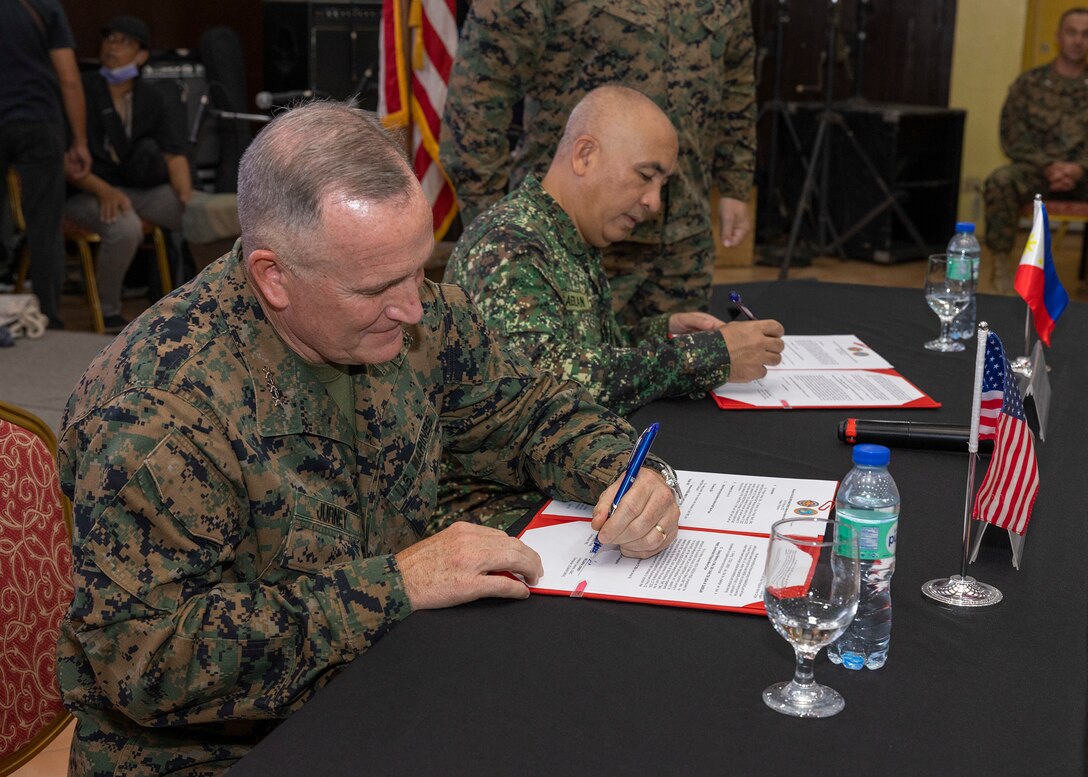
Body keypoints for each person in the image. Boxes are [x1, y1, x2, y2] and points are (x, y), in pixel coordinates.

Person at [57, 101, 682, 776]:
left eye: (420, 268)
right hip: (223, 747)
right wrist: (396, 584)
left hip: (389, 677)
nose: (414, 306)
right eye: (379, 287)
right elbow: (152, 662)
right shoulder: (157, 412)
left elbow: (525, 409)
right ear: (274, 277)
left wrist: (624, 470)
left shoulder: (410, 315)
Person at [440, 86, 784, 529]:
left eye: (663, 184)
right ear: (584, 155)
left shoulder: (562, 235)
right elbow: (552, 385)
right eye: (645, 176)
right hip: (496, 507)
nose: (654, 202)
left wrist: (662, 332)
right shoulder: (510, 247)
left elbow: (582, 348)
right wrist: (709, 355)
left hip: (555, 475)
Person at [440, 0, 756, 329]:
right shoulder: (520, 248)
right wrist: (495, 225)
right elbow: (478, 95)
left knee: (677, 366)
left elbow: (737, 82)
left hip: (681, 236)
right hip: (565, 237)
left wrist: (736, 182)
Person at [64, 15, 192, 332]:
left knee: (201, 214)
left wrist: (187, 197)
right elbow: (65, 162)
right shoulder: (81, 88)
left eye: (124, 42)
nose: (113, 47)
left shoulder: (151, 96)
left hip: (141, 189)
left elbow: (173, 153)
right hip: (86, 190)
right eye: (110, 39)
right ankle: (108, 312)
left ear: (142, 55)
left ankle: (205, 304)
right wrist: (104, 191)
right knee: (125, 227)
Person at [983, 6, 1088, 293]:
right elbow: (1011, 136)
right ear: (1058, 37)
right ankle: (1001, 269)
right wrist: (1049, 165)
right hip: (1036, 171)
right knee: (1000, 181)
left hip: (1083, 175)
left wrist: (1079, 167)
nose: (1078, 40)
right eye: (1072, 33)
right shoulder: (1028, 83)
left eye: (1085, 34)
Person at [0, 0, 91, 328]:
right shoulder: (44, 6)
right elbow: (68, 78)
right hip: (38, 120)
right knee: (44, 223)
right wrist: (79, 140)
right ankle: (48, 316)